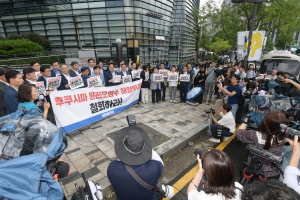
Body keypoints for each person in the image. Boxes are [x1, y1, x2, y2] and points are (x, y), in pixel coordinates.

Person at [107, 126, 164, 200]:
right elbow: (158, 160)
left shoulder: (112, 169)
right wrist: (143, 146)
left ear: (123, 148)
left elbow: (118, 159)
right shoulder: (155, 168)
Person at [236, 110, 286, 178]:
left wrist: (246, 119)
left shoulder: (254, 135)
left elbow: (239, 133)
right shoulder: (285, 139)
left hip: (253, 171)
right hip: (273, 174)